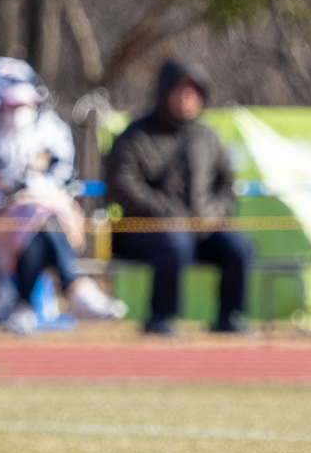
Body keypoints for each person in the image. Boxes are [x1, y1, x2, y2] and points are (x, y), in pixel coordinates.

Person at [106, 60, 252, 336]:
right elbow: (123, 185)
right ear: (164, 93)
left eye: (194, 93)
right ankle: (161, 318)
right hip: (146, 230)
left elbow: (226, 185)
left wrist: (212, 213)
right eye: (181, 92)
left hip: (202, 226)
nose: (188, 99)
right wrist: (167, 213)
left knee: (239, 246)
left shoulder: (207, 137)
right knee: (173, 241)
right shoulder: (136, 136)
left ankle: (229, 317)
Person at [0, 62, 125, 333]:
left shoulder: (51, 129)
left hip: (48, 218)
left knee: (41, 220)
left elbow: (61, 178)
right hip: (1, 226)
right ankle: (75, 286)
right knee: (39, 220)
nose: (19, 113)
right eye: (12, 106)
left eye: (24, 105)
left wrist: (28, 193)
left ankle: (23, 306)